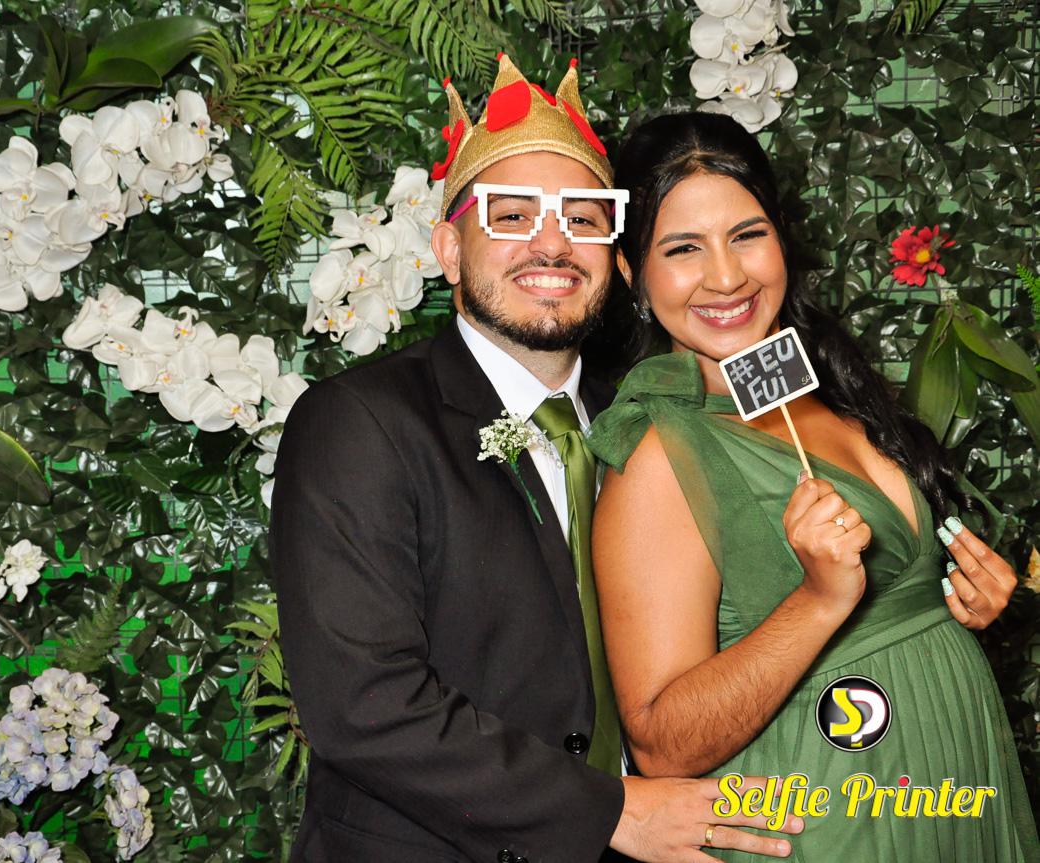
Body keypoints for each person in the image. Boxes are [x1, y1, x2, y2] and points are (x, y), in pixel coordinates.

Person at [270, 55, 805, 863]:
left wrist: (923, 591)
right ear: (450, 250)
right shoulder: (360, 423)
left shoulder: (646, 420)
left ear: (615, 254)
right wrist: (610, 811)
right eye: (512, 215)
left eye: (583, 217)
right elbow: (363, 704)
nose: (552, 243)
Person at [586, 110, 1039, 861]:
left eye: (747, 235)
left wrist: (963, 600)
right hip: (834, 818)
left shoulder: (828, 390)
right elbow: (661, 742)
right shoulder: (659, 453)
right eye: (684, 248)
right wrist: (819, 598)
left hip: (955, 782)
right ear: (633, 273)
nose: (726, 276)